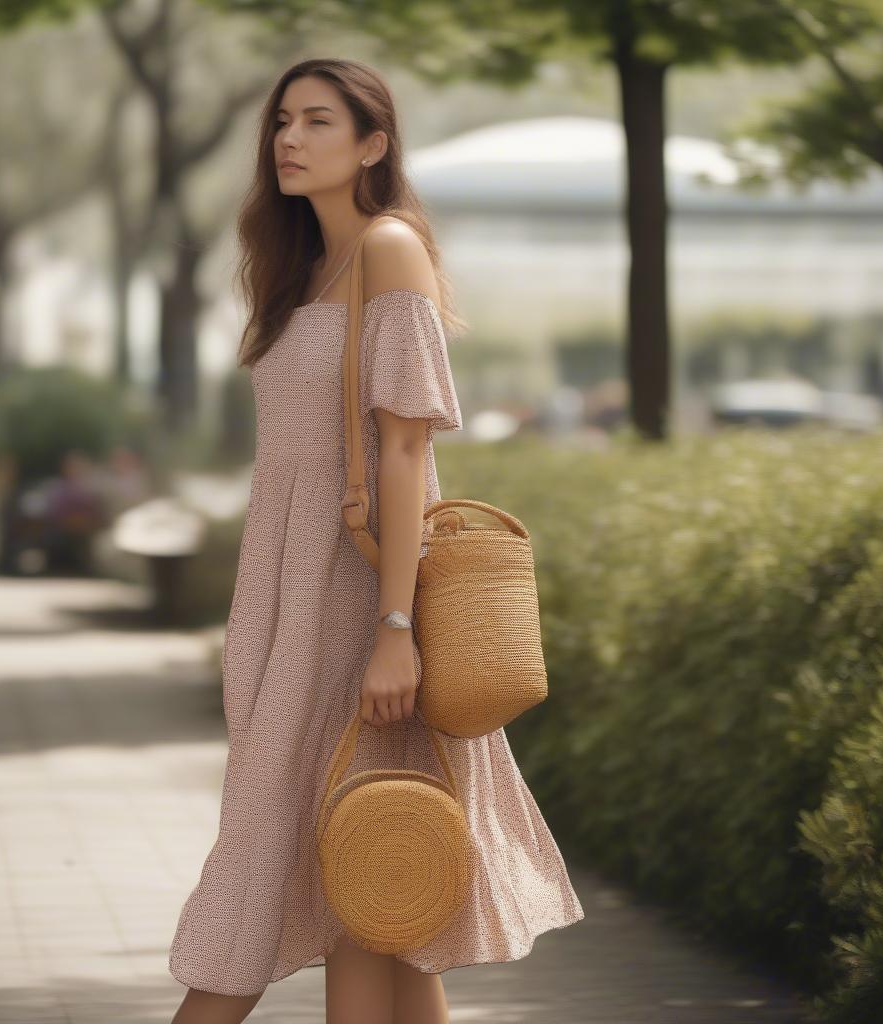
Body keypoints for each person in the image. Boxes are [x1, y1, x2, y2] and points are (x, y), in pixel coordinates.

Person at [167, 57, 584, 1024]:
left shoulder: (390, 250)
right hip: (287, 592)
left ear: (373, 145)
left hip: (358, 601)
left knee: (282, 850)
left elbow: (404, 457)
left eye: (318, 121)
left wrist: (396, 626)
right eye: (282, 121)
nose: (289, 138)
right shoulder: (301, 268)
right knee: (370, 873)